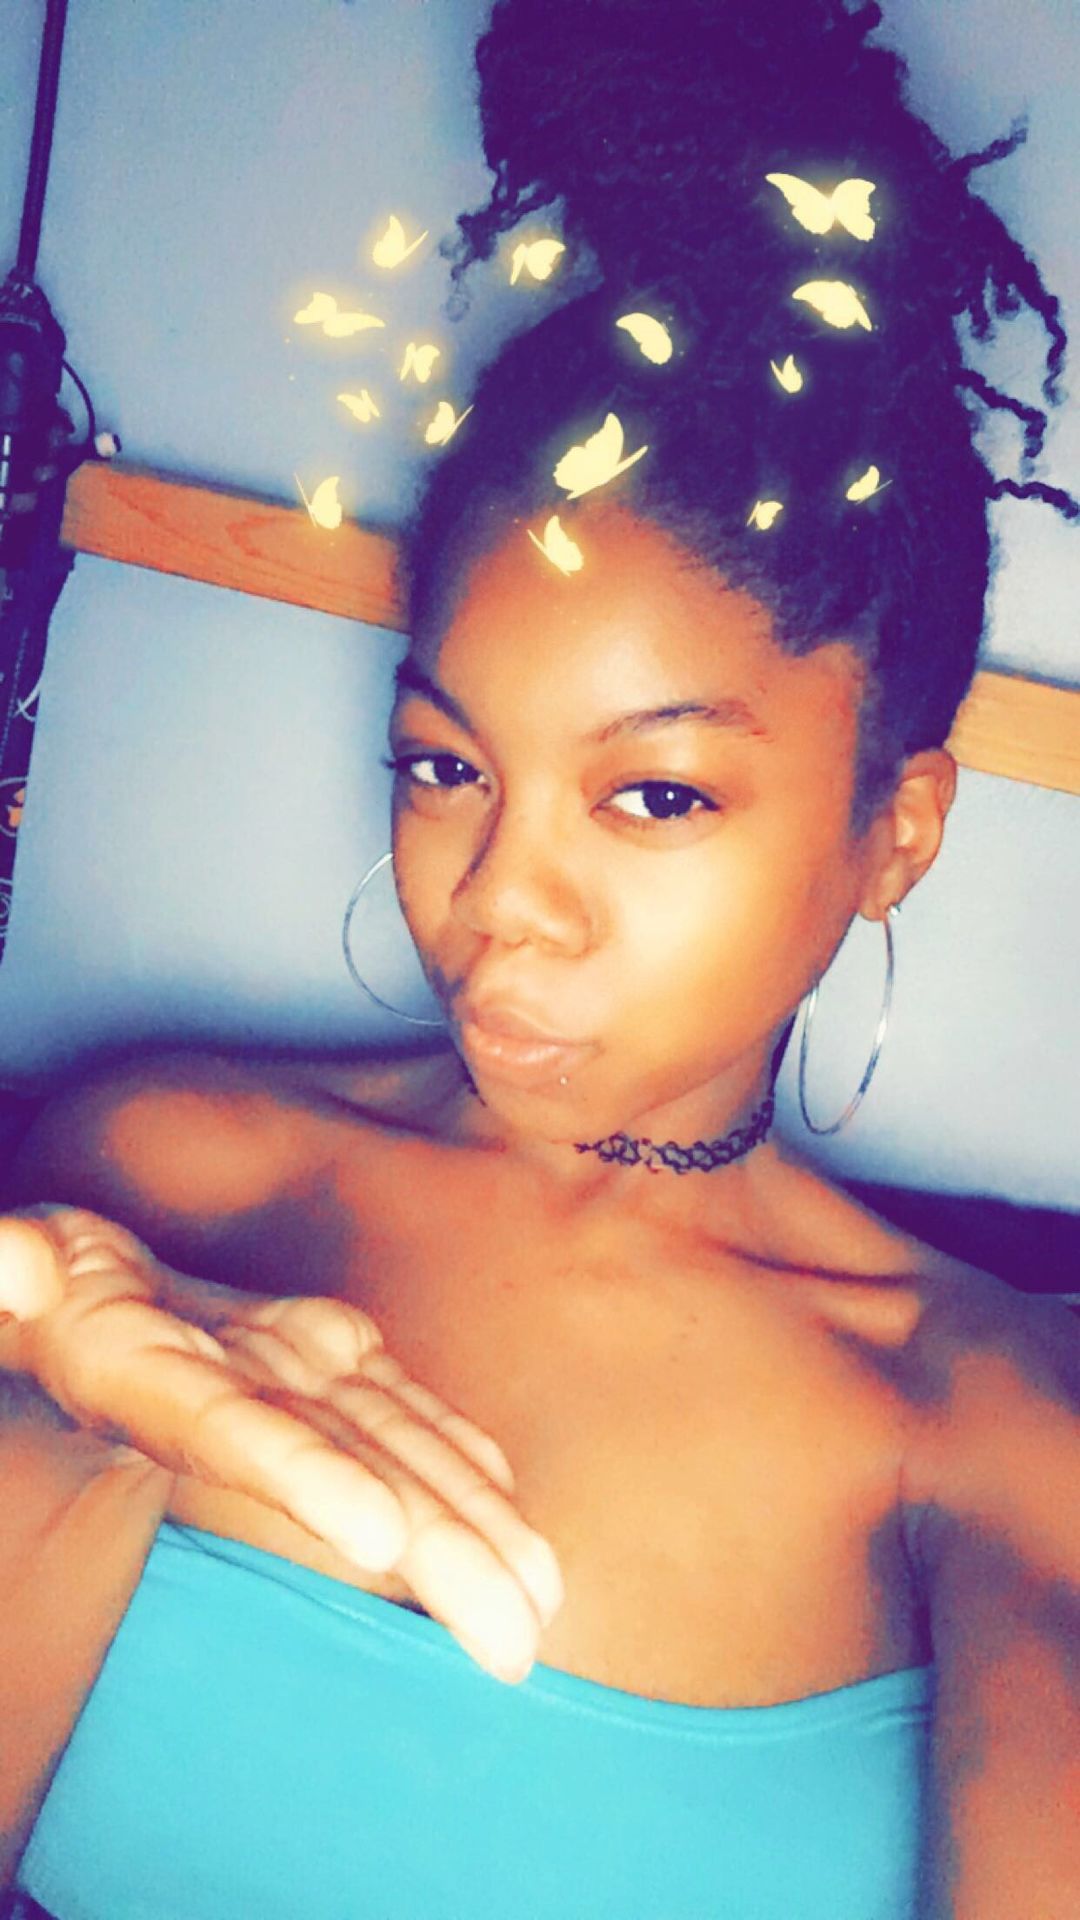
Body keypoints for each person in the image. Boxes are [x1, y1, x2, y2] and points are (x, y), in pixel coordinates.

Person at [1, 0, 1078, 1913]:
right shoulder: (157, 1180)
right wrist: (43, 1423)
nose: (501, 896)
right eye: (447, 766)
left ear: (893, 831)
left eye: (654, 795)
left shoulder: (987, 1417)